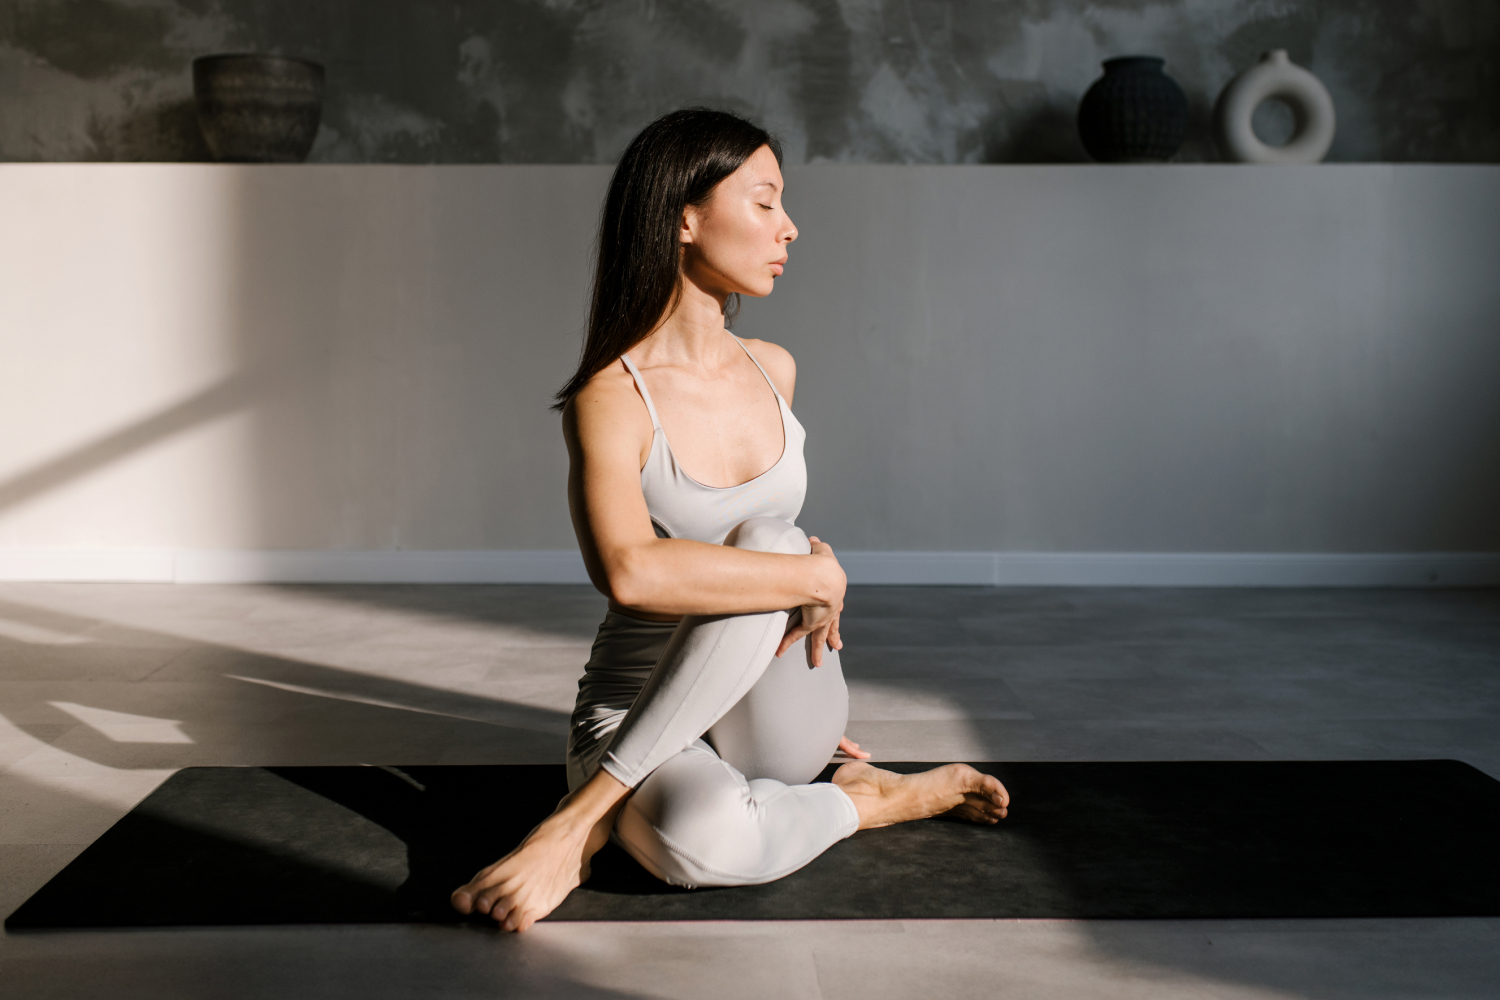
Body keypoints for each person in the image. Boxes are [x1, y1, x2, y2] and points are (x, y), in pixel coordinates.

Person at [451, 108, 1009, 931]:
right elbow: (630, 573)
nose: (790, 226)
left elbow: (769, 569)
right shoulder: (612, 397)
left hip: (777, 710)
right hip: (635, 710)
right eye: (764, 202)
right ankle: (864, 801)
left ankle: (576, 826)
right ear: (684, 216)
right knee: (700, 844)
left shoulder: (773, 369)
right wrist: (810, 574)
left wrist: (798, 572)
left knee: (771, 542)